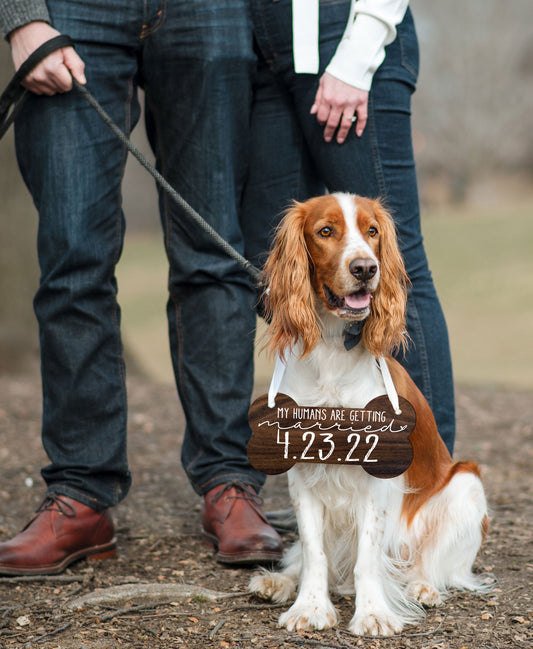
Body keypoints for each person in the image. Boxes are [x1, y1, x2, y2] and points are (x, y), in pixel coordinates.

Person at [0, 0, 282, 575]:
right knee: (72, 262)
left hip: (210, 11)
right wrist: (21, 15)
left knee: (214, 253)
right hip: (70, 11)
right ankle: (81, 494)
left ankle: (229, 480)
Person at [242, 0, 456, 455]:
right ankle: (326, 470)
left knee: (395, 264)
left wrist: (357, 56)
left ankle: (423, 477)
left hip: (344, 41)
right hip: (261, 50)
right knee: (281, 265)